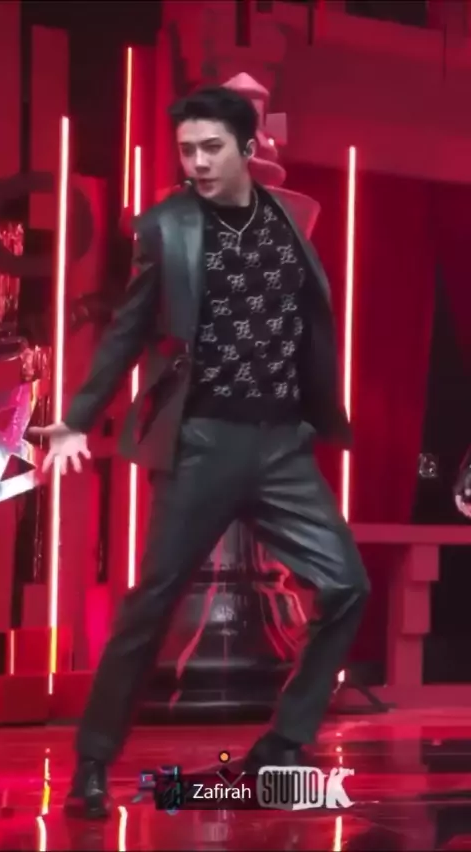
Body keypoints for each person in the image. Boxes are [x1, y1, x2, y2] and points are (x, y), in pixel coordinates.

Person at [30, 86, 370, 818]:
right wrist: (77, 418)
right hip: (204, 440)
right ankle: (93, 763)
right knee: (152, 603)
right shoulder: (168, 227)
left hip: (283, 446)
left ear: (247, 148)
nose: (199, 162)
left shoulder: (293, 220)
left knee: (347, 585)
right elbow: (128, 330)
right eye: (187, 150)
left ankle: (283, 744)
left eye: (212, 147)